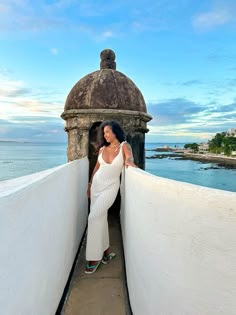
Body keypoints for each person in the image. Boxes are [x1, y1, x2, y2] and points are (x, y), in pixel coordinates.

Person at [85, 120, 136, 274]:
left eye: (108, 132)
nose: (105, 135)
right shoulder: (102, 149)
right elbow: (96, 167)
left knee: (93, 217)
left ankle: (93, 257)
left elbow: (129, 158)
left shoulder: (124, 146)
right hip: (96, 188)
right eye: (104, 132)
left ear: (116, 132)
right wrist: (89, 184)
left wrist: (129, 162)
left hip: (110, 188)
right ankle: (106, 254)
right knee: (99, 218)